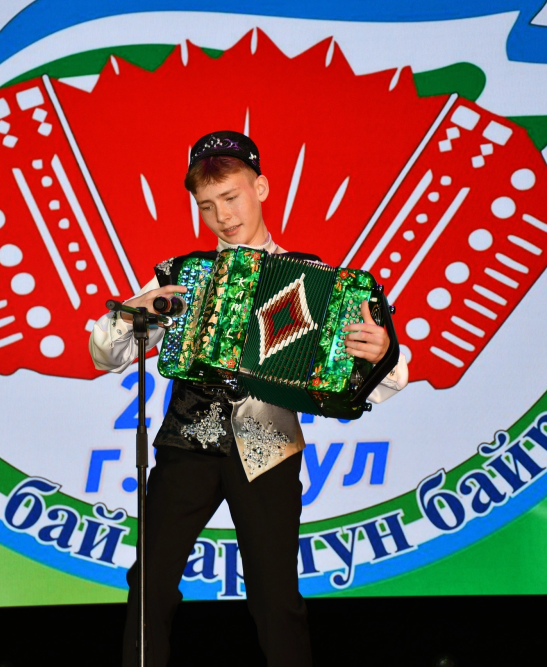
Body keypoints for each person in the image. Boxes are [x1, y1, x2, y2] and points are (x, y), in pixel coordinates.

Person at [89, 131, 409, 667]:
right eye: (206, 205)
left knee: (276, 599)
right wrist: (133, 312)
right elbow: (105, 354)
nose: (222, 216)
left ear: (260, 188)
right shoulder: (184, 275)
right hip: (186, 444)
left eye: (231, 197)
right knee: (149, 586)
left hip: (268, 446)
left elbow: (385, 379)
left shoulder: (316, 280)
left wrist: (382, 352)